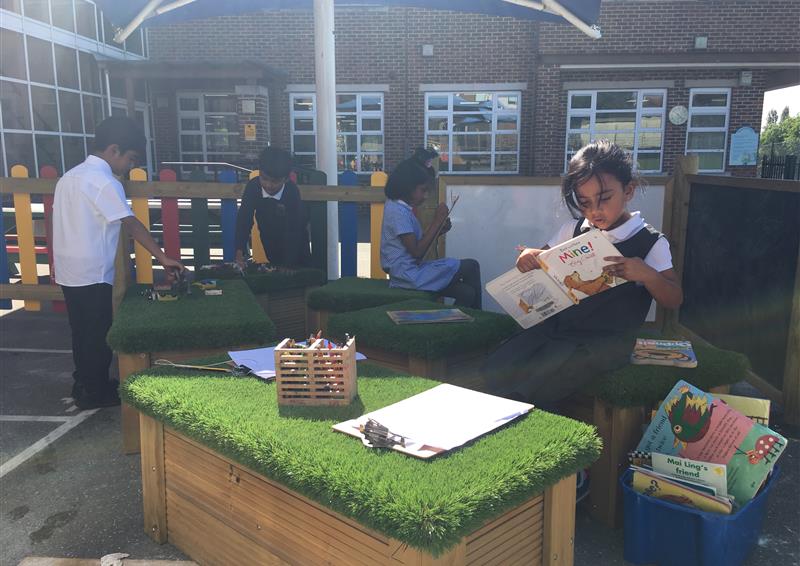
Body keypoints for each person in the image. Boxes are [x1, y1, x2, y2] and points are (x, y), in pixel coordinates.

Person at [484, 140, 683, 408]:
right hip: (557, 329)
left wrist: (647, 274)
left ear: (629, 191)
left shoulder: (648, 242)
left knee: (545, 380)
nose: (594, 211)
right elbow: (541, 259)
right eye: (584, 203)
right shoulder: (574, 229)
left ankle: (534, 419)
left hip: (606, 341)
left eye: (604, 199)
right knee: (502, 363)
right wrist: (528, 258)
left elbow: (674, 298)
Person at [53, 116, 184, 410]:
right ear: (114, 150)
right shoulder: (104, 182)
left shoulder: (70, 177)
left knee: (81, 331)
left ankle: (84, 382)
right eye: (131, 159)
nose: (131, 167)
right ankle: (95, 391)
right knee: (98, 333)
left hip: (68, 269)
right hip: (92, 271)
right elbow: (131, 224)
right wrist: (163, 257)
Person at [380, 157, 482, 308]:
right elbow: (417, 252)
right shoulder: (398, 212)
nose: (426, 196)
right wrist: (437, 221)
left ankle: (457, 326)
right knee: (472, 266)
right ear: (407, 188)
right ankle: (479, 322)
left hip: (409, 272)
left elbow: (418, 243)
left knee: (466, 293)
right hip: (408, 276)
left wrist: (438, 230)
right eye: (423, 190)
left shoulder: (399, 208)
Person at [234, 147, 311, 268]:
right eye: (264, 179)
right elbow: (244, 219)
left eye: (275, 181)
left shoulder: (292, 192)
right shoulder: (253, 187)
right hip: (269, 243)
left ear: (286, 179)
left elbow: (295, 228)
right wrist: (239, 250)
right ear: (259, 173)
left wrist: (289, 264)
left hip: (296, 247)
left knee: (297, 276)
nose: (268, 185)